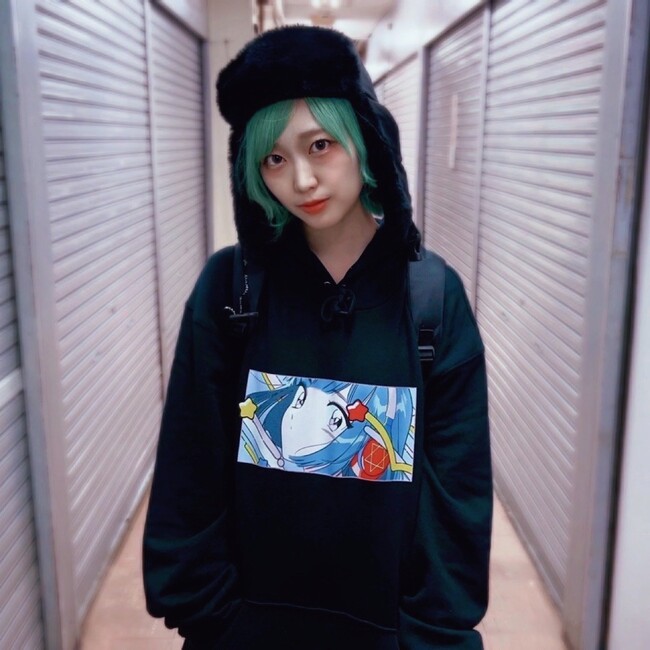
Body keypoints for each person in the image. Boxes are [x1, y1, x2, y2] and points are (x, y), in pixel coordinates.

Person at [143, 25, 492, 650]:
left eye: (320, 145)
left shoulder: (431, 301)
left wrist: (432, 635)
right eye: (274, 159)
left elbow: (456, 500)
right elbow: (189, 468)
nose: (301, 179)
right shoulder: (231, 289)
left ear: (366, 140)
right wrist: (215, 619)